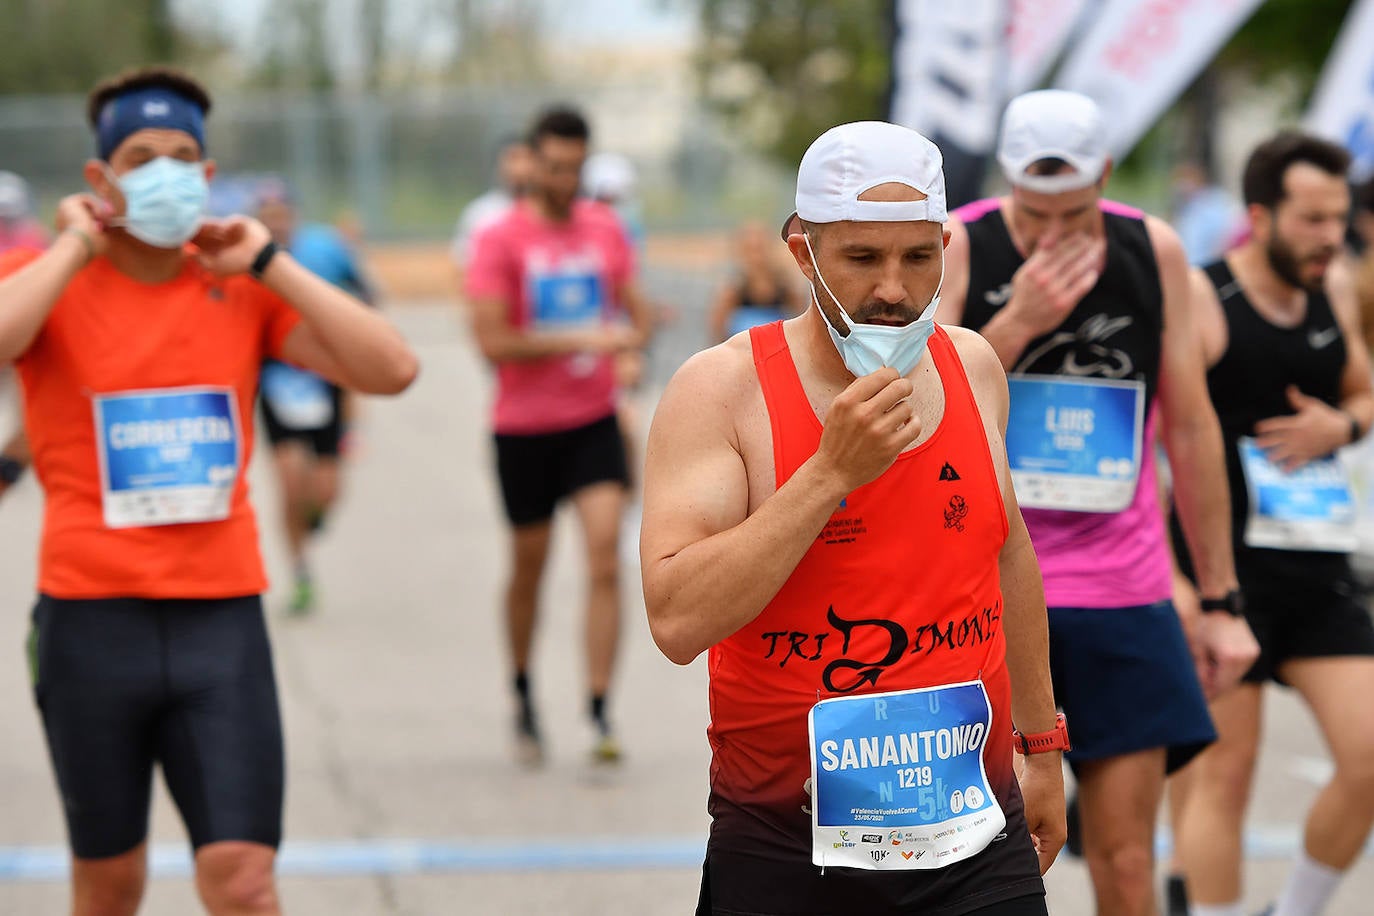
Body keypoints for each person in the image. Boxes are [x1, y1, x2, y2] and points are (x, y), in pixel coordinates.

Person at [0, 66, 417, 915]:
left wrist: (267, 259)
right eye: (141, 156)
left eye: (183, 155)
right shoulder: (47, 273)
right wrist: (76, 244)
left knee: (244, 880)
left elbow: (392, 368)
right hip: (90, 621)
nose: (165, 172)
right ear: (100, 178)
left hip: (218, 621)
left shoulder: (239, 284)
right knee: (109, 886)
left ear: (208, 172)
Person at [642, 119, 1067, 916]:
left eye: (918, 257)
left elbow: (1008, 557)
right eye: (862, 258)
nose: (894, 290)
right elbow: (675, 619)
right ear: (802, 253)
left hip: (976, 833)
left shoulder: (972, 364)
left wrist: (1042, 748)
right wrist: (829, 473)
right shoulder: (721, 392)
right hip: (786, 841)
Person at [940, 89, 1259, 916]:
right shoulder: (960, 246)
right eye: (1033, 212)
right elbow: (924, 409)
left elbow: (1189, 428)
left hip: (1124, 590)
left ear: (1107, 177)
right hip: (991, 588)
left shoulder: (1148, 248)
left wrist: (1219, 598)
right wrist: (1016, 322)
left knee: (1124, 860)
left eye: (1073, 213)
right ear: (1007, 181)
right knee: (980, 862)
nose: (1051, 235)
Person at [1168, 132, 1374, 916]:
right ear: (1260, 215)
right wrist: (1181, 580)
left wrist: (1342, 428)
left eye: (1339, 217)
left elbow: (1362, 394)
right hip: (1230, 577)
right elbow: (1167, 432)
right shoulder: (1205, 295)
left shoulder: (1334, 286)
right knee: (1225, 776)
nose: (1331, 235)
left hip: (1318, 570)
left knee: (1368, 758)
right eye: (1312, 220)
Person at [464, 106, 653, 766]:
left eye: (576, 167)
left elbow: (637, 312)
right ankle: (521, 691)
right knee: (530, 568)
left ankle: (599, 707)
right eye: (553, 166)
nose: (565, 178)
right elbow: (491, 341)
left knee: (605, 555)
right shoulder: (500, 239)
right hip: (523, 430)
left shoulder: (606, 229)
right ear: (530, 163)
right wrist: (582, 338)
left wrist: (631, 351)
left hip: (593, 421)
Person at [254, 179, 379, 614]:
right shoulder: (243, 261)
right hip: (274, 381)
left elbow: (367, 296)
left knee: (325, 491)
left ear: (294, 216)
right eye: (266, 216)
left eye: (281, 214)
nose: (275, 223)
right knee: (289, 481)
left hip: (322, 379)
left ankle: (312, 519)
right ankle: (301, 572)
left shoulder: (325, 248)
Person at [706, 220, 806, 344]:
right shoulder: (733, 289)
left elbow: (803, 320)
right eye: (750, 249)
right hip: (743, 353)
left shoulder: (785, 286)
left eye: (760, 248)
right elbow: (717, 331)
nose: (756, 256)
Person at [450, 134, 535, 274]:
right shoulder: (480, 212)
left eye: (527, 158)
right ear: (499, 165)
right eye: (513, 158)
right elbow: (463, 263)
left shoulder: (549, 212)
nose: (521, 167)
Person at [1171, 161, 1244, 267]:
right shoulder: (1187, 207)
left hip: (1211, 268)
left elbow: (1228, 233)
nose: (1182, 184)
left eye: (1186, 178)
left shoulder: (1214, 201)